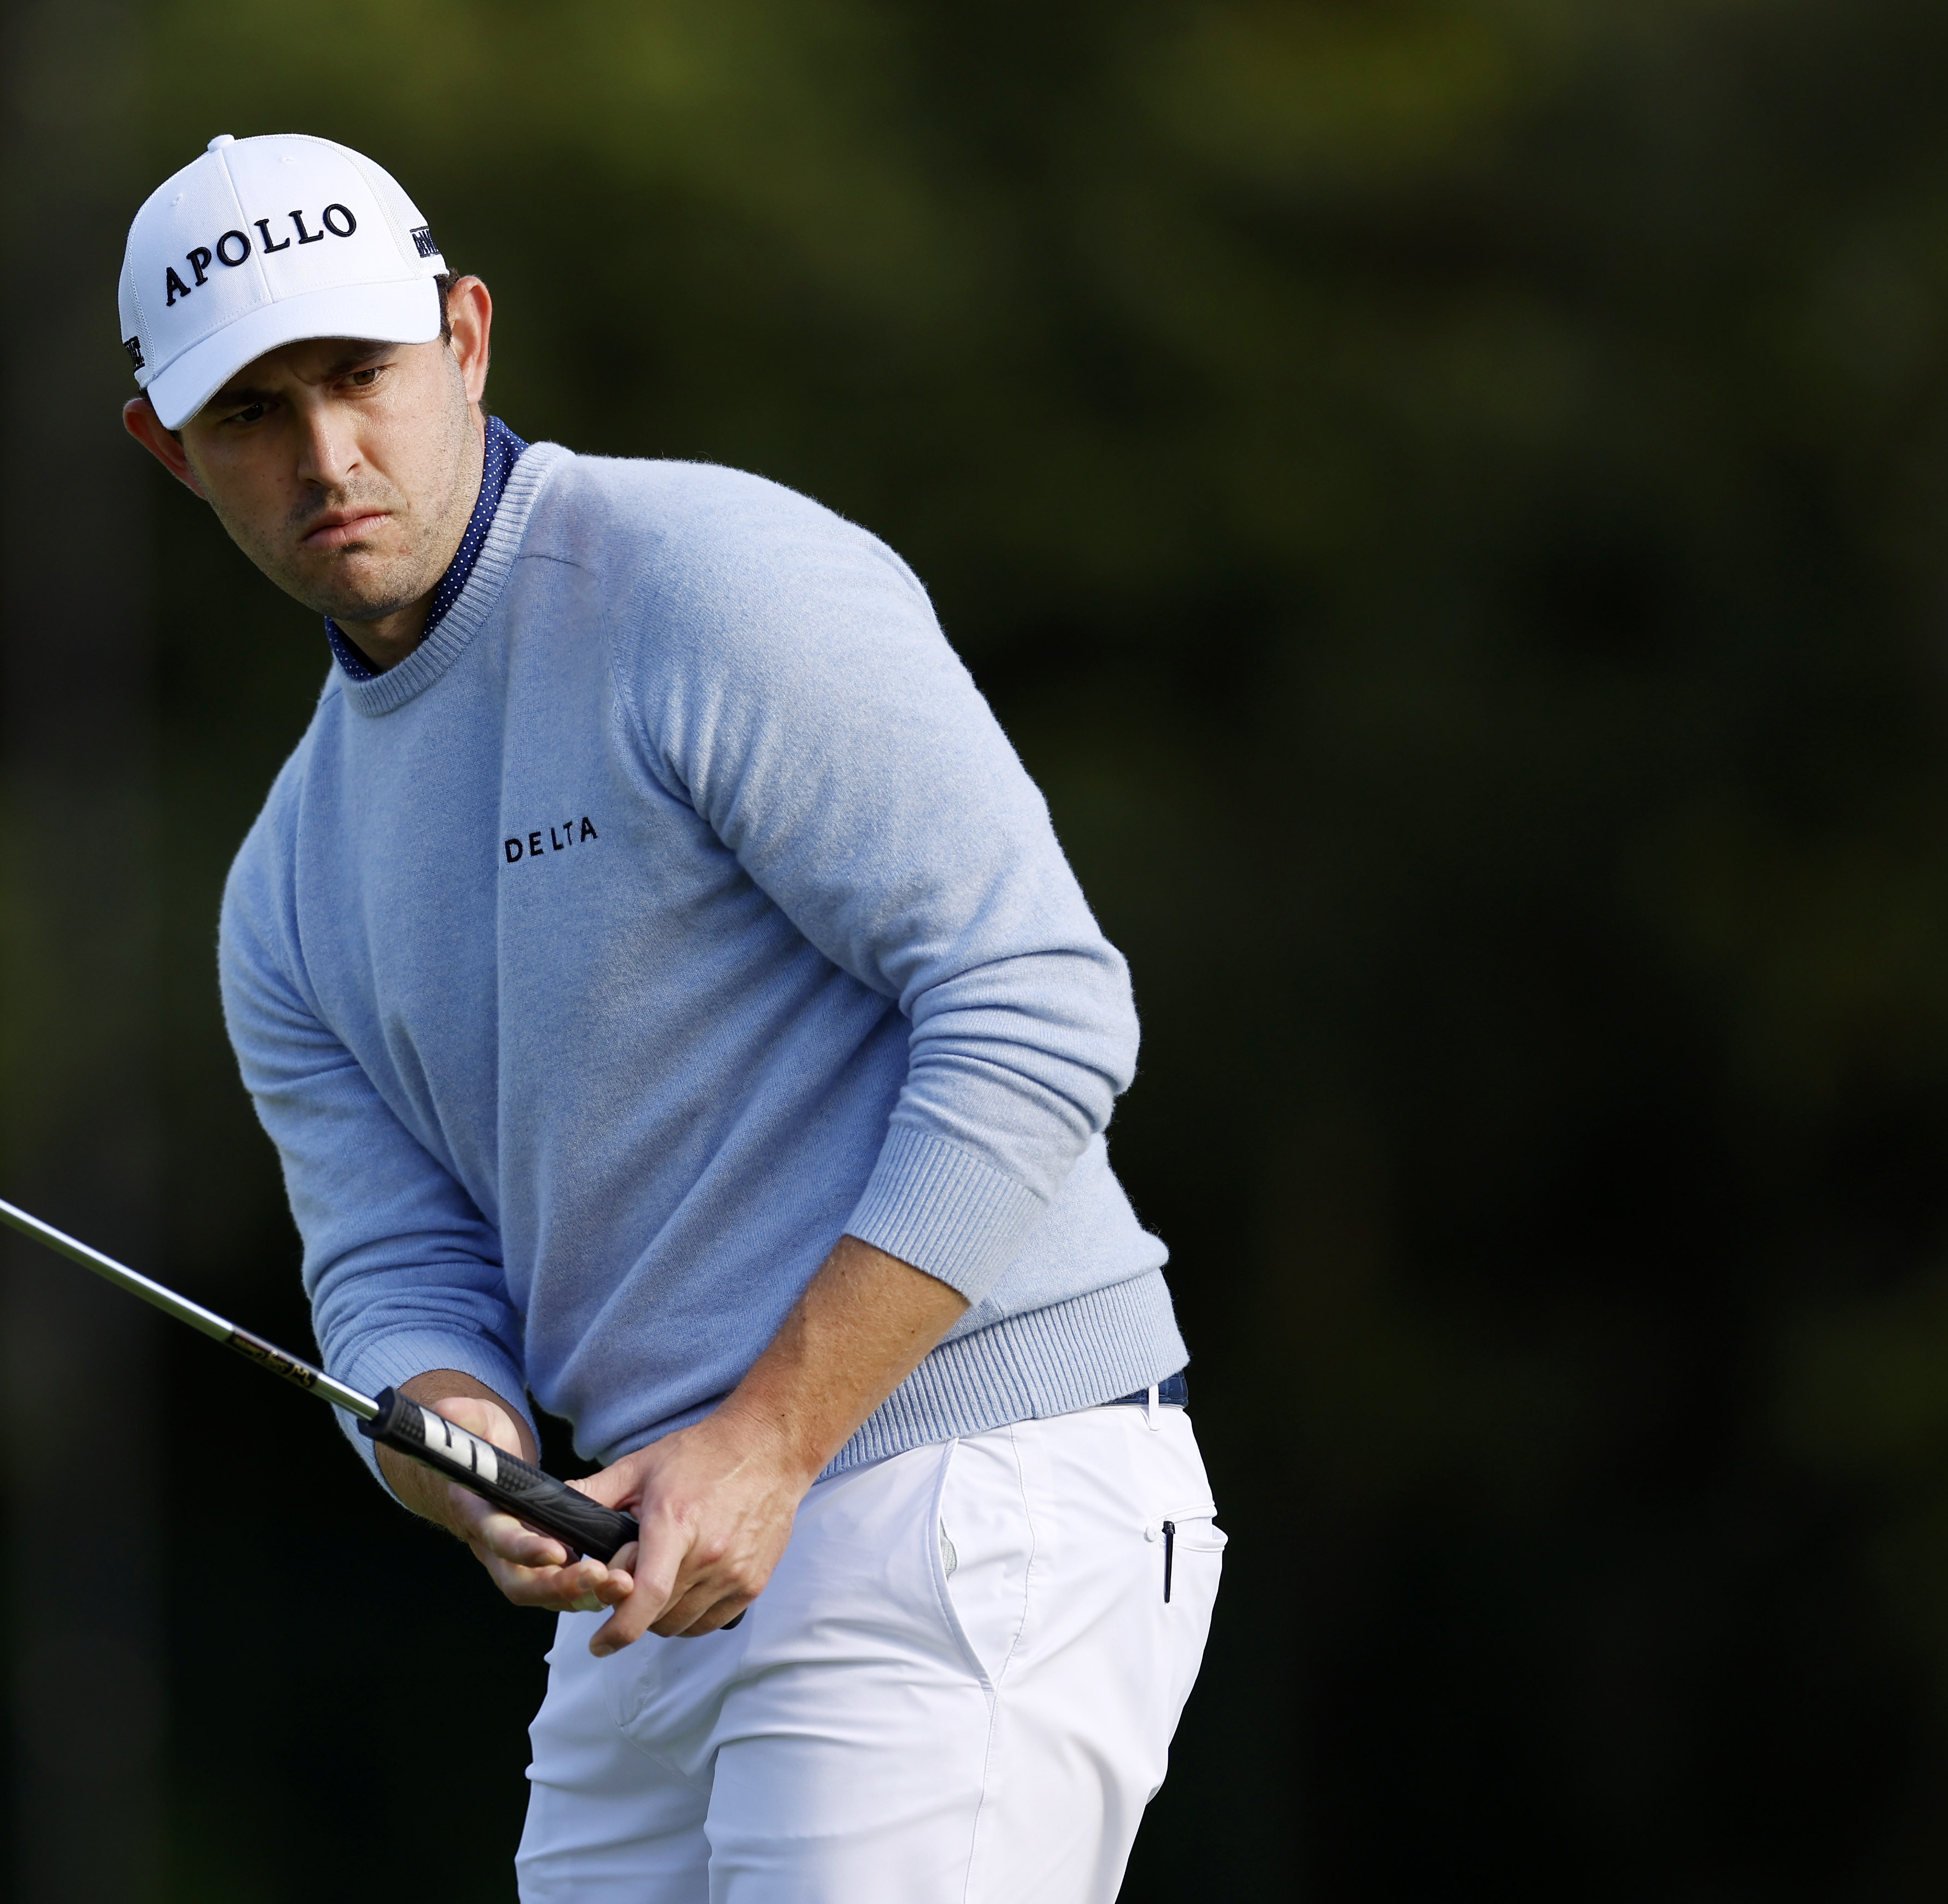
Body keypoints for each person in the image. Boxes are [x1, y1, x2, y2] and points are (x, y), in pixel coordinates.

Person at [116, 131, 1224, 1903]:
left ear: (465, 337)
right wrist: (451, 1445)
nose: (326, 454)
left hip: (966, 1484)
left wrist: (775, 1435)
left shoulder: (704, 580)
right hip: (660, 1566)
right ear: (169, 452)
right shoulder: (286, 884)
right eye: (253, 413)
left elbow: (1038, 1008)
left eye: (358, 375)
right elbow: (393, 1271)